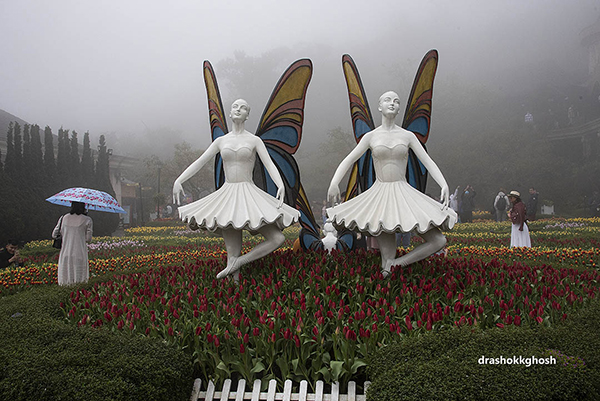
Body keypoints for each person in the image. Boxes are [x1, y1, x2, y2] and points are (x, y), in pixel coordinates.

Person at [327, 91, 457, 277]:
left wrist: (443, 183)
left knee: (438, 240)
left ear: (399, 108)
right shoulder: (371, 137)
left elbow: (427, 161)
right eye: (388, 100)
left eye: (396, 101)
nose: (392, 103)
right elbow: (349, 160)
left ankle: (397, 264)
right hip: (380, 196)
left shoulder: (408, 136)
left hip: (403, 193)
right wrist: (334, 182)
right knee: (386, 257)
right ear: (379, 106)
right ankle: (387, 283)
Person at [173, 99, 299, 280]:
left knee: (277, 239)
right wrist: (180, 180)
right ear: (230, 113)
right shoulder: (221, 141)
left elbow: (269, 164)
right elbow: (201, 161)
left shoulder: (254, 140)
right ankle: (233, 289)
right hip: (228, 195)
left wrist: (280, 184)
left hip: (249, 193)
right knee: (232, 251)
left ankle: (239, 262)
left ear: (247, 115)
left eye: (243, 108)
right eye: (235, 107)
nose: (239, 110)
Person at [52, 201, 93, 285]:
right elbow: (88, 239)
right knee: (79, 279)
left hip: (65, 252)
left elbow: (54, 234)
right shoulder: (87, 220)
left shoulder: (63, 218)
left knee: (65, 278)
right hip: (79, 253)